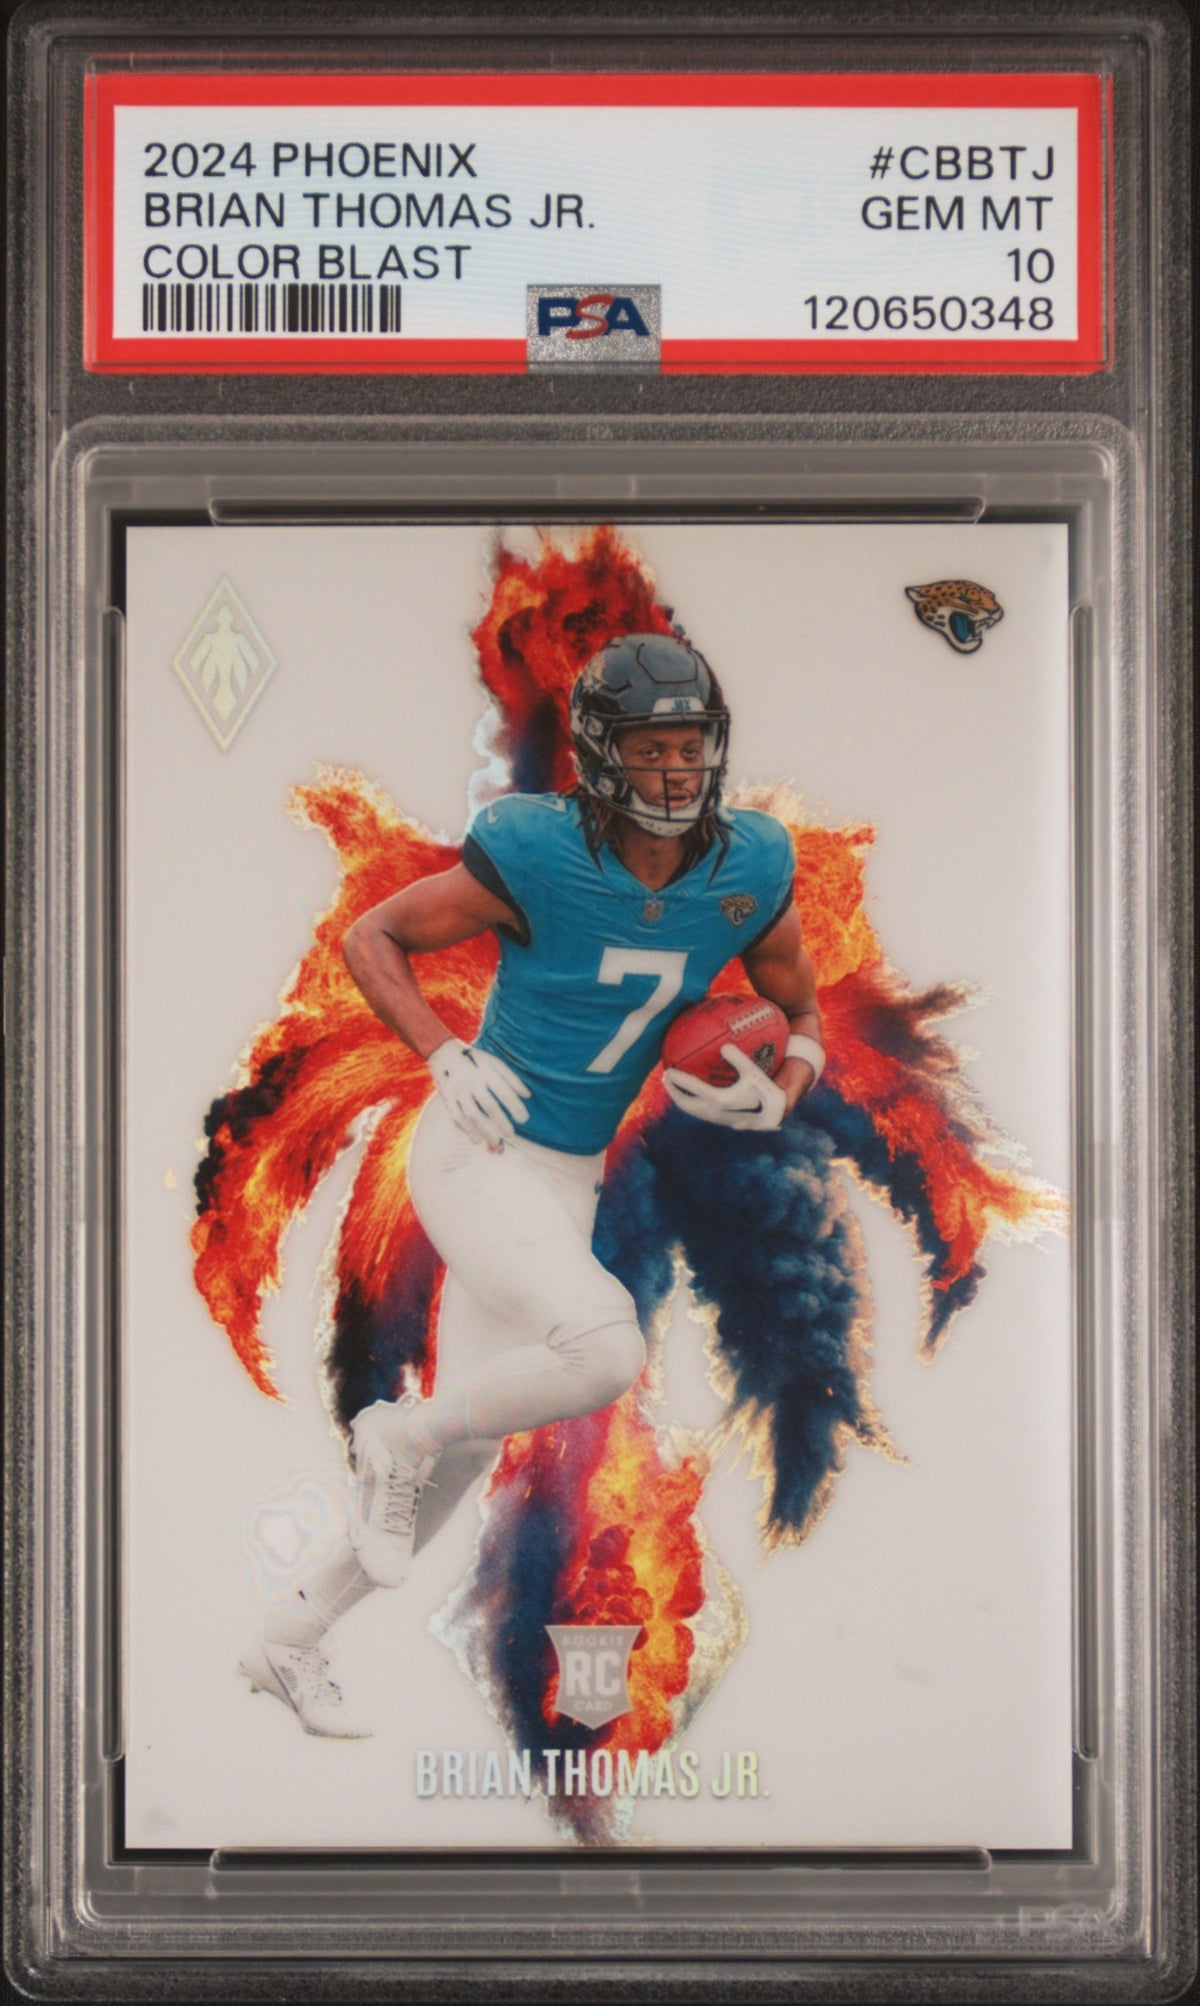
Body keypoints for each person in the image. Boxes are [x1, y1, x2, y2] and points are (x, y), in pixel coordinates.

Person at [240, 633, 824, 1735]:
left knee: (456, 1465)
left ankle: (288, 1636)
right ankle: (393, 1432)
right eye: (651, 747)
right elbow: (374, 936)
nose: (676, 770)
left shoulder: (749, 864)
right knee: (602, 1349)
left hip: (566, 1182)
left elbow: (801, 1009)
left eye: (690, 746)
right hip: (480, 1149)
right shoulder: (538, 849)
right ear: (602, 755)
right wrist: (440, 1050)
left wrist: (783, 1088)